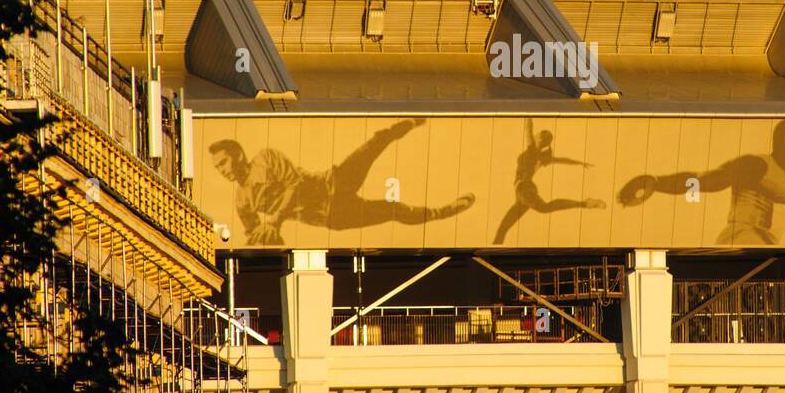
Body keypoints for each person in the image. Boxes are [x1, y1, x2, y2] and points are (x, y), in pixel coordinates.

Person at [619, 119, 785, 244]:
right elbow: (708, 180)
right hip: (740, 241)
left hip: (766, 251)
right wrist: (656, 182)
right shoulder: (757, 164)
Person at [209, 118, 474, 245]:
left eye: (223, 162)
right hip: (331, 215)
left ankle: (400, 127)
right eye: (217, 167)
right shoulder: (242, 202)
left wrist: (275, 220)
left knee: (370, 148)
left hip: (330, 184)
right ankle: (440, 213)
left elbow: (295, 185)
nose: (221, 170)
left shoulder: (265, 159)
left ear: (239, 155)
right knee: (391, 210)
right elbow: (259, 237)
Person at [493, 119, 605, 244]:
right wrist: (579, 163)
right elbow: (562, 160)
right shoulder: (541, 156)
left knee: (544, 208)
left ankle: (585, 203)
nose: (535, 135)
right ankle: (496, 244)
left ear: (539, 139)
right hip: (522, 192)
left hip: (524, 188)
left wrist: (527, 112)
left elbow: (528, 128)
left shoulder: (532, 150)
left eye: (538, 134)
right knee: (504, 228)